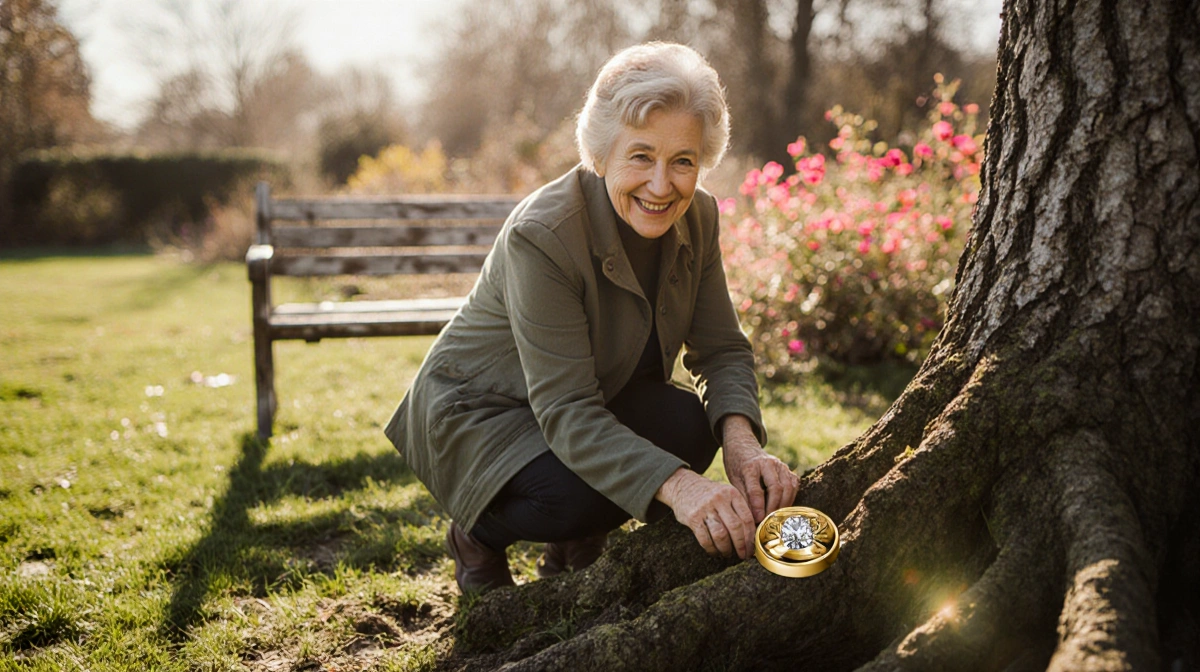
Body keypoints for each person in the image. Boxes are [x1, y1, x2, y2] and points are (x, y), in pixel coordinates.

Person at [384, 42, 800, 593]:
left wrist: (743, 446)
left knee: (696, 429)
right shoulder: (544, 235)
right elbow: (567, 412)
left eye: (683, 161)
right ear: (602, 152)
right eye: (641, 155)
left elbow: (721, 349)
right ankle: (477, 533)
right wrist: (682, 489)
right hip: (483, 410)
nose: (661, 184)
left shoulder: (698, 215)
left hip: (590, 394)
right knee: (574, 496)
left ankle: (574, 542)